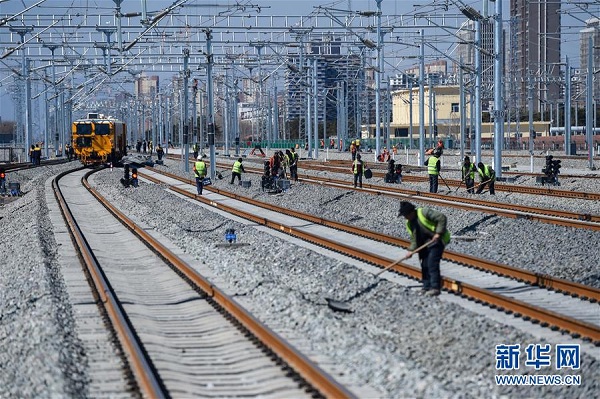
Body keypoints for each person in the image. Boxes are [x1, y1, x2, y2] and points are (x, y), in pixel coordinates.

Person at [398, 201, 450, 296]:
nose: (405, 217)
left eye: (405, 215)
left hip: (436, 241)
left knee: (432, 264)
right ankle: (426, 287)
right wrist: (410, 251)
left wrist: (438, 233)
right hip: (423, 244)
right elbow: (414, 239)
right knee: (424, 265)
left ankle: (435, 288)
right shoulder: (409, 223)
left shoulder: (424, 212)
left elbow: (442, 218)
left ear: (411, 212)